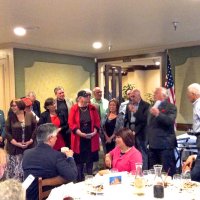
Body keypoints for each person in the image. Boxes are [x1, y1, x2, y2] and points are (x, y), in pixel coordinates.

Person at [22, 123, 77, 200]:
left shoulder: (26, 153)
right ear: (50, 138)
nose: (56, 139)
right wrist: (70, 157)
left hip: (27, 195)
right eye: (56, 136)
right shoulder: (56, 156)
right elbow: (72, 175)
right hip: (47, 197)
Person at [68, 90, 100, 182]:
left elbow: (97, 121)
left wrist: (94, 131)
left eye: (89, 96)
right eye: (86, 96)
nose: (88, 98)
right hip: (79, 140)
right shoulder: (74, 108)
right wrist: (80, 133)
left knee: (90, 162)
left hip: (91, 139)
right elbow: (71, 123)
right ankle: (79, 180)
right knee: (79, 163)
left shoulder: (92, 108)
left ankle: (90, 180)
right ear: (79, 98)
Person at [147, 87, 177, 176]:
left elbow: (169, 121)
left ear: (163, 95)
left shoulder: (171, 107)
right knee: (154, 171)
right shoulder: (151, 106)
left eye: (156, 93)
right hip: (152, 145)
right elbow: (149, 125)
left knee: (167, 171)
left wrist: (158, 114)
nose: (154, 94)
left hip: (165, 145)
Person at [5, 99, 37, 181]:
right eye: (11, 106)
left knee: (27, 171)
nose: (12, 107)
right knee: (15, 173)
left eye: (14, 105)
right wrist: (17, 143)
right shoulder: (10, 117)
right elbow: (7, 133)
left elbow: (35, 129)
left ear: (20, 106)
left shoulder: (30, 115)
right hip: (14, 149)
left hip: (28, 148)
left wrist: (31, 140)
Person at [126, 89, 150, 170]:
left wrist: (135, 111)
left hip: (141, 132)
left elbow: (144, 119)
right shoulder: (128, 105)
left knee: (142, 153)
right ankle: (134, 171)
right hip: (130, 132)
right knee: (132, 153)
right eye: (131, 96)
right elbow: (126, 119)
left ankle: (144, 172)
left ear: (139, 96)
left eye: (133, 96)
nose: (132, 98)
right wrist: (127, 131)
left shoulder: (146, 105)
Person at [187, 83, 200, 150]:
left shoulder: (198, 105)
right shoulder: (196, 104)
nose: (187, 96)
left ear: (193, 94)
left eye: (188, 94)